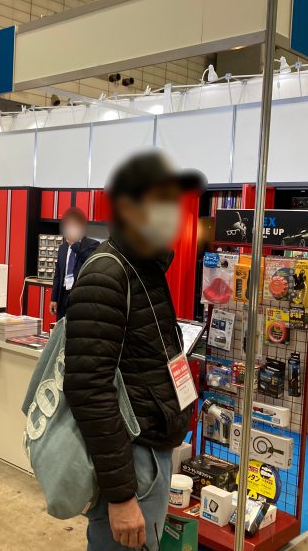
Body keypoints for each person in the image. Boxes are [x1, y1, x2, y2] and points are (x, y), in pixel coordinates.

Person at [63, 151, 205, 550]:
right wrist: (121, 496)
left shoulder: (145, 268)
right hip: (131, 461)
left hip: (150, 453)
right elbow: (88, 390)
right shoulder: (107, 273)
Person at [49, 207, 99, 320]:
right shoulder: (62, 248)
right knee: (60, 327)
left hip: (80, 297)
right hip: (63, 296)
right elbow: (58, 275)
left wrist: (75, 245)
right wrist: (54, 299)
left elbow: (91, 262)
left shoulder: (92, 245)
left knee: (76, 326)